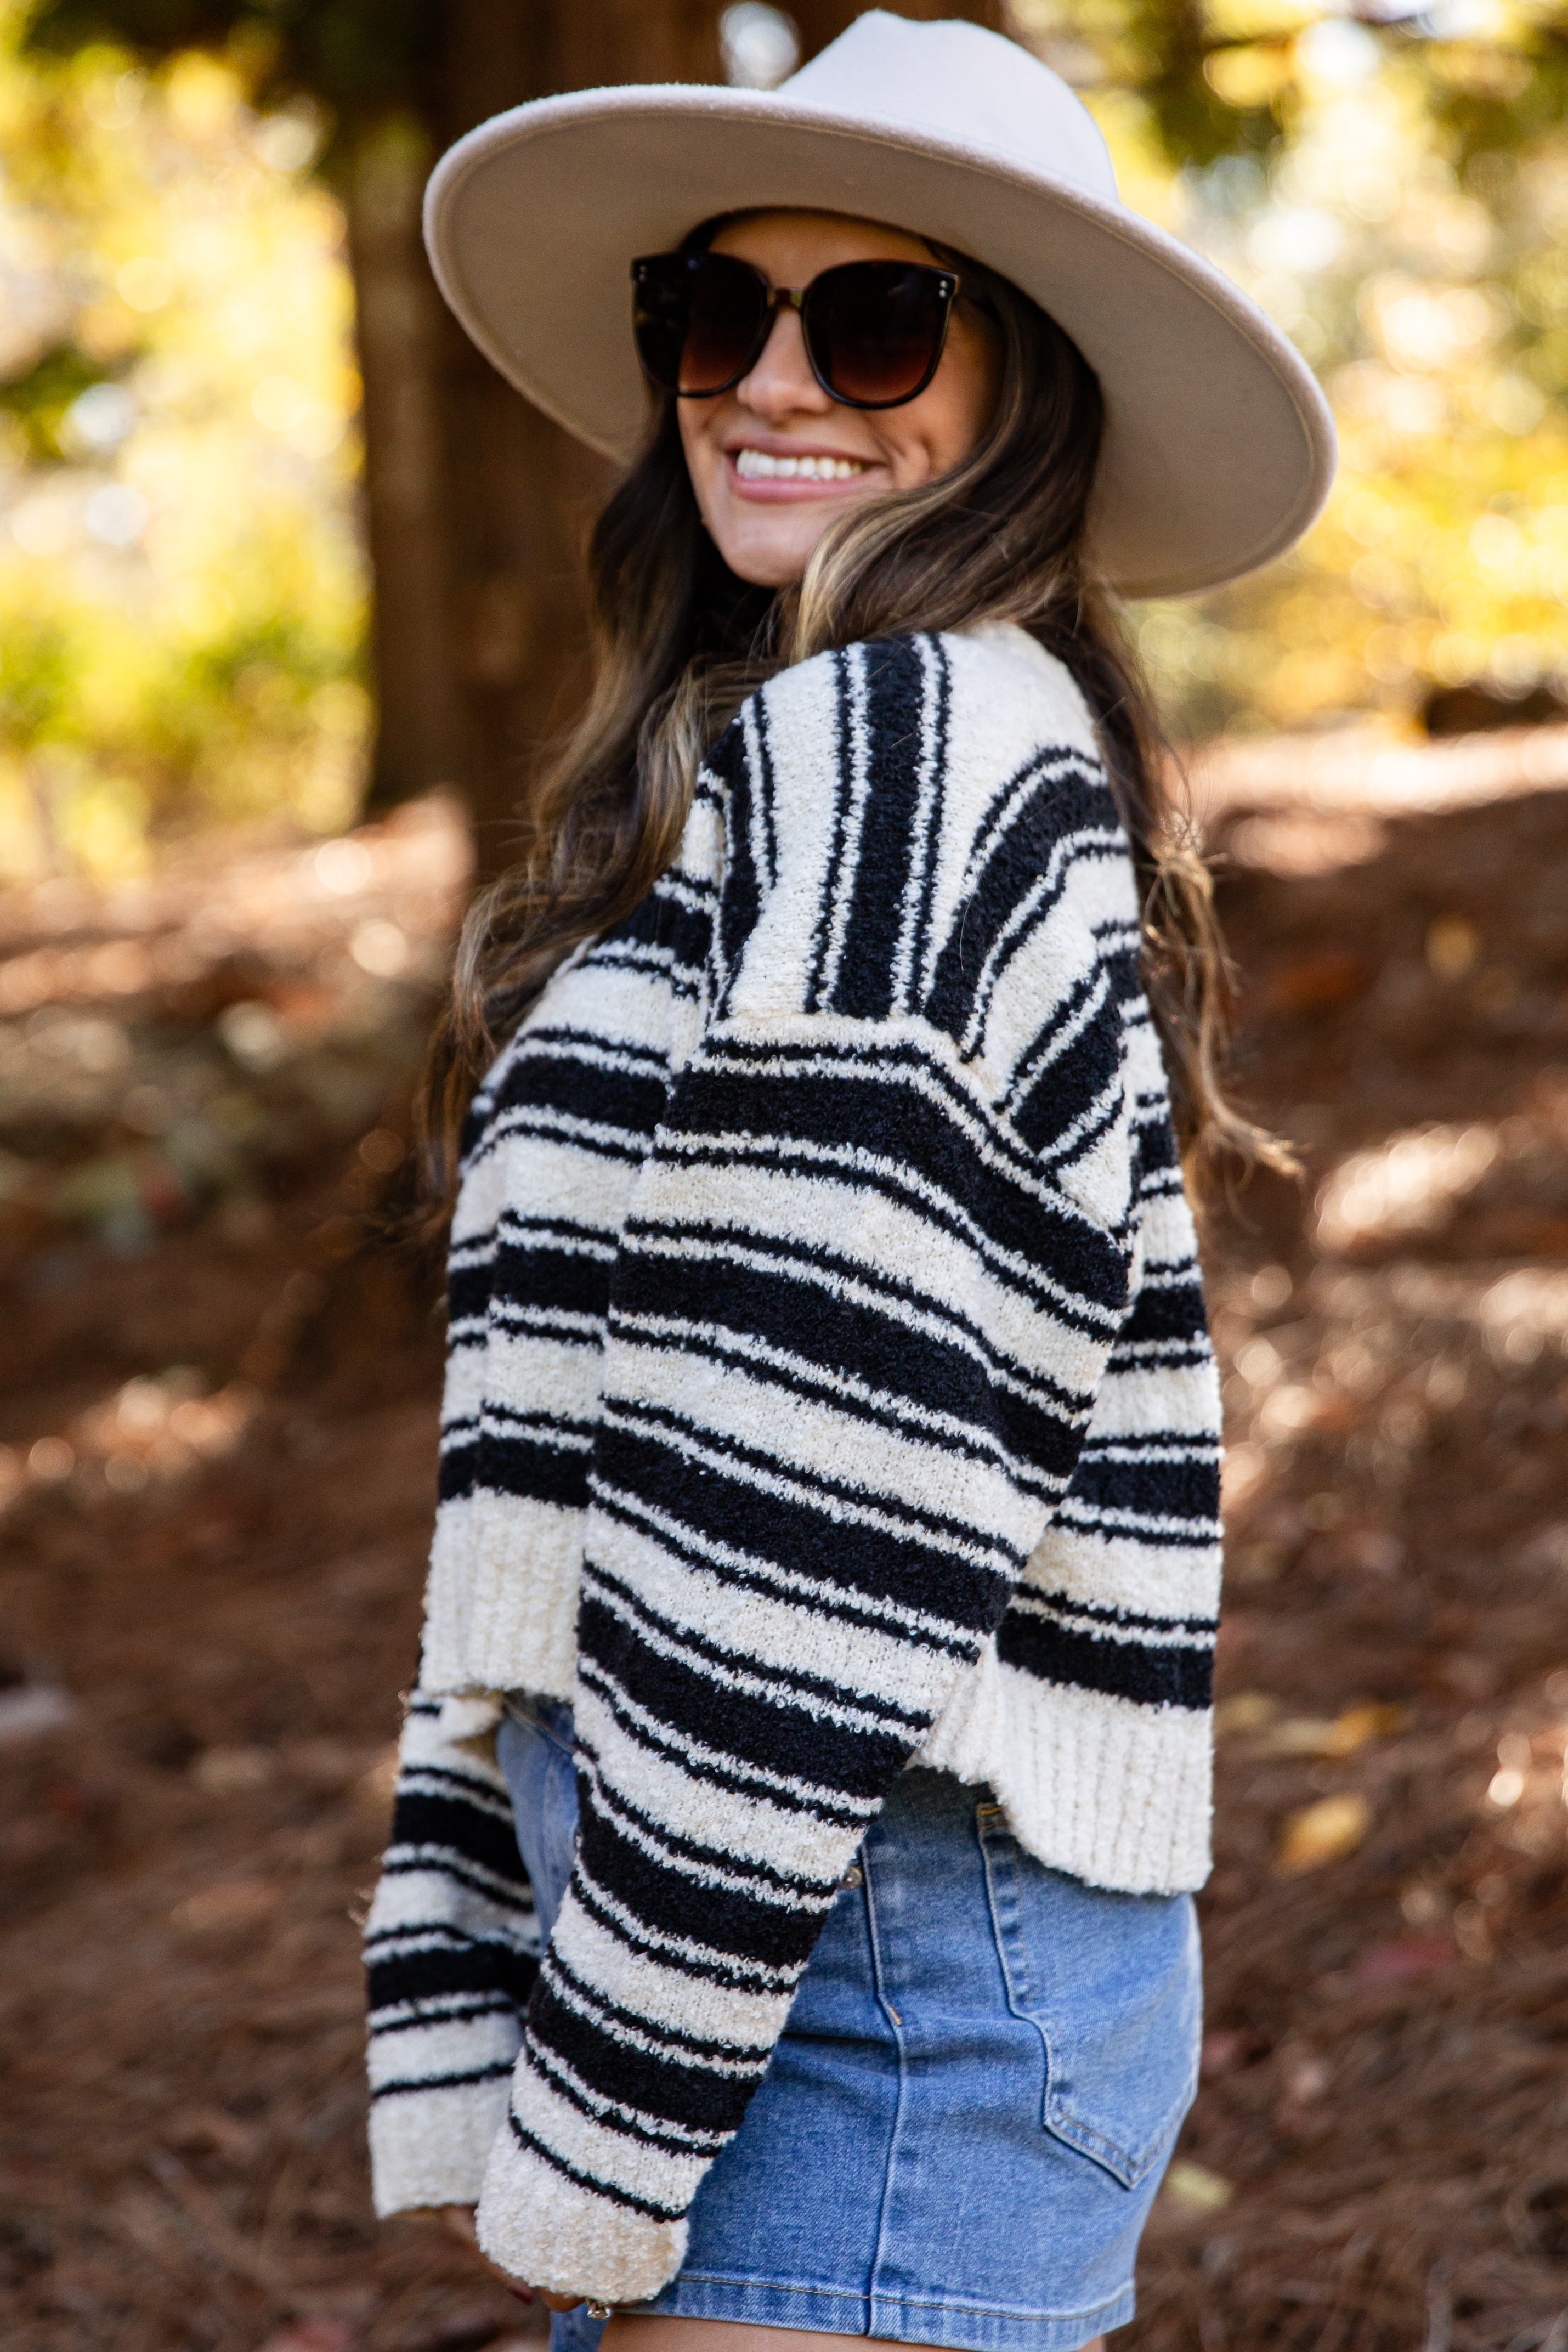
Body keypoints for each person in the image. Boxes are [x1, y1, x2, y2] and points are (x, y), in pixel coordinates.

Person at [363, 15, 1334, 2352]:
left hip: (863, 1970)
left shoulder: (898, 746)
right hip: (795, 1942)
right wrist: (477, 1962)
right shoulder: (820, 756)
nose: (774, 381)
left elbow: (815, 1495)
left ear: (1026, 391)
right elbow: (582, 1447)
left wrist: (596, 2099)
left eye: (876, 315)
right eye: (719, 310)